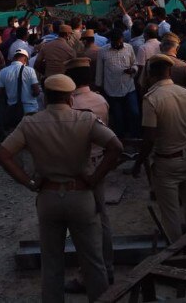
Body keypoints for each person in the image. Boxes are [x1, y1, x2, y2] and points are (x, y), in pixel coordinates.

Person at [0, 74, 123, 303]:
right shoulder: (84, 120)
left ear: (45, 98)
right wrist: (94, 179)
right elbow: (116, 147)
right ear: (70, 98)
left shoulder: (30, 122)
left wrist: (29, 182)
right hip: (81, 195)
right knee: (93, 261)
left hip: (48, 197)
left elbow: (3, 155)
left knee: (51, 262)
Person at [132, 54, 186, 242]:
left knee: (170, 212)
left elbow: (149, 138)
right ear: (169, 71)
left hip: (166, 162)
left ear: (150, 74)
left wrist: (138, 163)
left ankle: (176, 253)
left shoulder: (151, 99)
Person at [64, 58, 114, 292]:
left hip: (79, 166)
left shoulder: (71, 105)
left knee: (83, 223)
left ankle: (89, 276)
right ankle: (108, 266)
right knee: (102, 216)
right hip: (100, 163)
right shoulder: (101, 100)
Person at [95, 29, 140, 138]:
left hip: (129, 87)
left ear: (122, 39)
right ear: (111, 41)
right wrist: (99, 86)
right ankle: (120, 138)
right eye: (116, 42)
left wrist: (133, 70)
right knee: (118, 116)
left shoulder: (129, 48)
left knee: (134, 113)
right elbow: (99, 70)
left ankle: (135, 136)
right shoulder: (103, 51)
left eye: (120, 42)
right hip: (112, 90)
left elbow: (135, 63)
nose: (119, 44)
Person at [0, 49, 41, 132]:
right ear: (25, 59)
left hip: (13, 110)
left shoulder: (3, 71)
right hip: (30, 109)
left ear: (14, 58)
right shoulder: (30, 70)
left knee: (15, 135)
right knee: (30, 135)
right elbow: (37, 91)